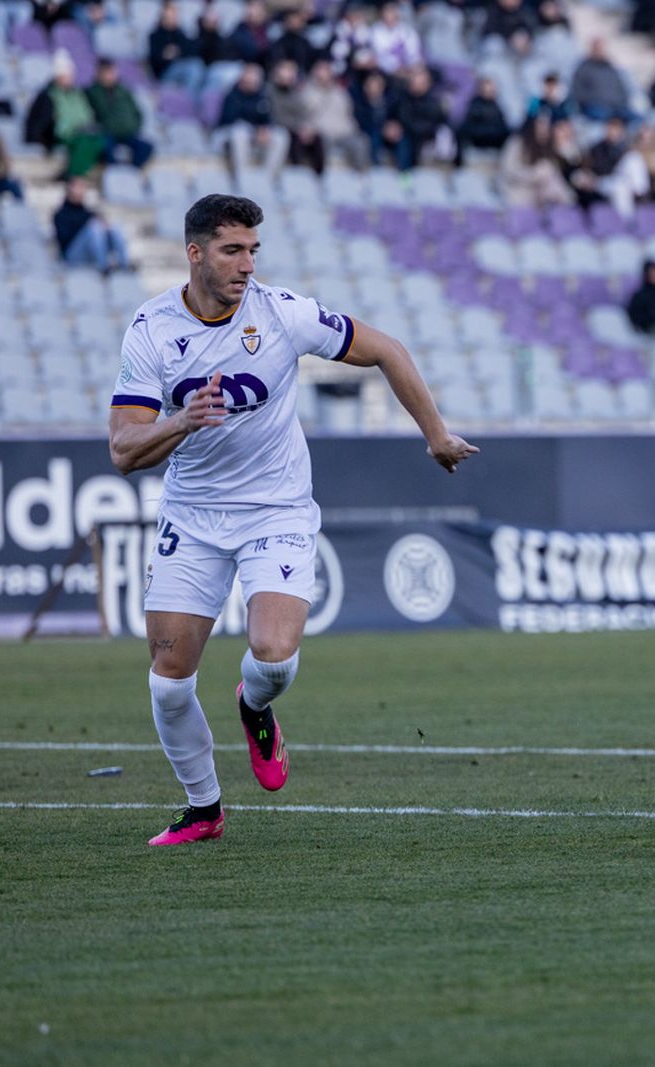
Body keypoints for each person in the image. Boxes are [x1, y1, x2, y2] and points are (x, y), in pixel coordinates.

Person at [108, 194, 478, 847]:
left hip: (276, 508)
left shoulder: (282, 314)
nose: (247, 264)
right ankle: (203, 809)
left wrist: (436, 433)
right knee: (168, 684)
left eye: (254, 249)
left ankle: (253, 707)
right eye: (232, 250)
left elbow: (387, 349)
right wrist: (183, 420)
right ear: (195, 253)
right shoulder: (152, 330)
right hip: (192, 515)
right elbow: (123, 449)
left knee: (274, 657)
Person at [87, 58, 154, 168]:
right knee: (105, 146)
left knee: (146, 147)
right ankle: (113, 171)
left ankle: (131, 171)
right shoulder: (93, 92)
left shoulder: (124, 91)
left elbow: (137, 112)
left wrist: (134, 126)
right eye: (106, 72)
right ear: (99, 73)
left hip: (128, 133)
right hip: (107, 133)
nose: (110, 75)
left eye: (111, 72)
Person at [54, 175, 131, 271]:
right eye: (79, 186)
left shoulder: (89, 213)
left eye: (83, 187)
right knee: (94, 228)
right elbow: (64, 238)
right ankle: (103, 267)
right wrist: (86, 227)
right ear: (70, 188)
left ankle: (124, 266)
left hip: (89, 252)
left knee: (115, 226)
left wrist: (106, 227)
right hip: (72, 255)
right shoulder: (61, 214)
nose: (82, 190)